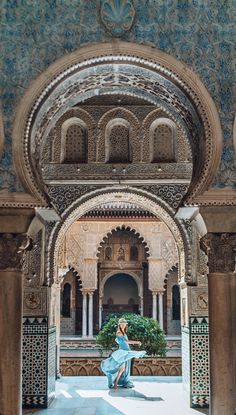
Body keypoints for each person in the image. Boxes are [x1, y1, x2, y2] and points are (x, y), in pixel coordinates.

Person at [100, 318, 146, 389]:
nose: (123, 326)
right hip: (122, 352)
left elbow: (123, 342)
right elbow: (126, 342)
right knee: (122, 368)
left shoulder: (123, 332)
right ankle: (115, 382)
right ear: (119, 325)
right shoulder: (119, 332)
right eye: (121, 324)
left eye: (124, 324)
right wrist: (136, 342)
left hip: (126, 351)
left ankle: (117, 382)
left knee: (123, 369)